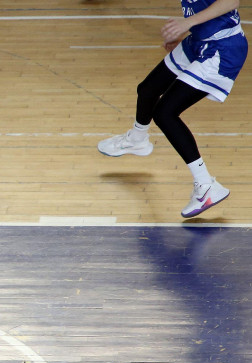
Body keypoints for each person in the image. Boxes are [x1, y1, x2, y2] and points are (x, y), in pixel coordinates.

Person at [97, 0, 247, 218]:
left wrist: (188, 22)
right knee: (148, 89)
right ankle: (138, 140)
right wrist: (186, 29)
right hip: (198, 41)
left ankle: (206, 186)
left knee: (165, 113)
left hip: (222, 48)